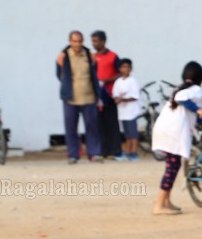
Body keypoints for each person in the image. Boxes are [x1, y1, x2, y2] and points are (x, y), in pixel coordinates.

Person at [150, 62, 202, 215]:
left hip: (165, 129)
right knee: (172, 167)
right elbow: (183, 100)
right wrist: (199, 110)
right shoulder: (194, 90)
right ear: (200, 78)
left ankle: (166, 201)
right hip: (172, 132)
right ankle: (159, 205)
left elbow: (191, 112)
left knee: (173, 166)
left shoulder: (183, 89)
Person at [55, 30, 102, 164]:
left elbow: (94, 73)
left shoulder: (89, 55)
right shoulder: (63, 56)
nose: (77, 44)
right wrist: (68, 88)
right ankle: (73, 154)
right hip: (71, 98)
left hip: (89, 97)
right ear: (70, 42)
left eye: (80, 41)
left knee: (92, 126)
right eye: (74, 41)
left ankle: (93, 153)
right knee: (71, 127)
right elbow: (59, 75)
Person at [91, 30, 123, 159]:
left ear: (103, 41)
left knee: (112, 123)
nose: (94, 43)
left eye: (96, 41)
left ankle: (115, 150)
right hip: (96, 95)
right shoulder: (92, 57)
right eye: (93, 41)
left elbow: (121, 72)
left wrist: (108, 80)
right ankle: (102, 151)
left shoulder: (113, 56)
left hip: (109, 94)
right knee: (98, 123)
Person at [112, 58, 141, 161]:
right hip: (122, 112)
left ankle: (134, 152)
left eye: (128, 67)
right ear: (119, 69)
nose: (126, 69)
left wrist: (122, 99)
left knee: (133, 134)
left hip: (131, 112)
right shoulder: (118, 82)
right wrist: (117, 99)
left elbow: (134, 96)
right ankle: (128, 151)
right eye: (124, 67)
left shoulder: (133, 81)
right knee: (127, 134)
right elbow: (115, 95)